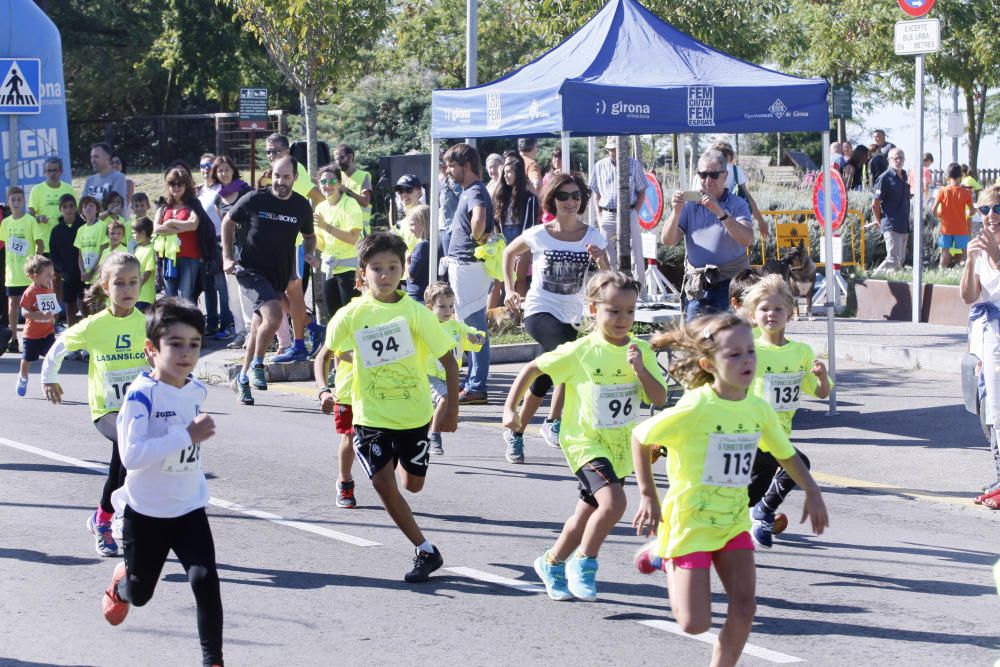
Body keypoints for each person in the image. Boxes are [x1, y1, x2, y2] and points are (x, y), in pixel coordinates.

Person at [631, 312, 828, 667]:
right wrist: (648, 493)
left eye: (750, 351)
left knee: (744, 607)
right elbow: (640, 436)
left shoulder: (758, 409)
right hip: (690, 523)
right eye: (733, 354)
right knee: (695, 624)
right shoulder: (696, 406)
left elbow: (786, 454)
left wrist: (812, 490)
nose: (747, 360)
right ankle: (663, 552)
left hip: (733, 522)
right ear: (709, 363)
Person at [507, 271, 667, 601]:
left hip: (619, 447)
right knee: (614, 503)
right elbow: (532, 369)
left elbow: (658, 398)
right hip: (584, 443)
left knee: (586, 515)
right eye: (614, 311)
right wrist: (512, 410)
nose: (623, 319)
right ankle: (584, 563)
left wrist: (639, 369)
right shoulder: (580, 351)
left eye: (630, 311)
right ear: (593, 310)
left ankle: (551, 562)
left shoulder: (640, 350)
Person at [325, 232, 460, 582]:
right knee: (384, 484)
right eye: (376, 268)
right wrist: (323, 389)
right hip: (371, 416)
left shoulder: (416, 313)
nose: (384, 275)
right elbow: (327, 353)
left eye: (392, 268)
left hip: (414, 414)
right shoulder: (351, 314)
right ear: (362, 273)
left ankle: (403, 468)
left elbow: (449, 363)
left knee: (412, 485)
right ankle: (425, 550)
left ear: (403, 271)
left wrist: (452, 409)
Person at [100, 298, 224, 667]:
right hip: (146, 514)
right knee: (140, 595)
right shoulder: (141, 397)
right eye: (175, 344)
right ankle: (121, 585)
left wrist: (189, 440)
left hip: (188, 507)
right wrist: (187, 435)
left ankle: (212, 660)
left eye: (194, 344)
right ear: (151, 350)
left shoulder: (195, 389)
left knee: (206, 581)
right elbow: (132, 456)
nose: (186, 353)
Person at [41, 253, 149, 557]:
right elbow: (61, 344)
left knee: (127, 461)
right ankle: (109, 522)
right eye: (119, 283)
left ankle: (104, 516)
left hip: (139, 411)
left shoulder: (146, 323)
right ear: (105, 286)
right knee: (126, 448)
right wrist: (49, 377)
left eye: (133, 282)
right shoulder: (94, 325)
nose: (127, 289)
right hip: (107, 411)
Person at [501, 173, 610, 462]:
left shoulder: (593, 236)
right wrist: (510, 288)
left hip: (573, 315)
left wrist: (601, 261)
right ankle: (553, 422)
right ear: (553, 200)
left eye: (576, 196)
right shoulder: (539, 233)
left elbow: (607, 277)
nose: (570, 201)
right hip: (539, 309)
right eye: (563, 196)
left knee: (553, 371)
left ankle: (518, 431)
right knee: (566, 356)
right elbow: (509, 252)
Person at [744, 275, 831, 548]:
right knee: (798, 463)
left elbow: (821, 393)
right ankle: (762, 513)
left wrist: (821, 377)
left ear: (790, 312)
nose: (771, 314)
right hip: (749, 433)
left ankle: (756, 518)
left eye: (778, 309)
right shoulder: (748, 350)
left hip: (779, 432)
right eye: (764, 309)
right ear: (752, 314)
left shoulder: (801, 352)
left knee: (748, 496)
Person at [223, 155, 316, 406]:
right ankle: (257, 364)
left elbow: (309, 236)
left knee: (258, 328)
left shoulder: (300, 206)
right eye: (276, 175)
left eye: (286, 177)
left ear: (295, 178)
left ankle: (242, 379)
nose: (280, 181)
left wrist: (309, 252)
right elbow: (227, 222)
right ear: (270, 174)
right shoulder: (255, 199)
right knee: (274, 315)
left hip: (278, 273)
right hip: (250, 270)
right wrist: (227, 257)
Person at [661, 150, 754, 319]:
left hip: (730, 284)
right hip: (698, 286)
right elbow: (668, 240)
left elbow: (747, 239)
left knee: (730, 341)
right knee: (696, 341)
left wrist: (719, 211)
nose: (707, 181)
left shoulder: (737, 204)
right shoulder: (689, 205)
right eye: (703, 175)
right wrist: (676, 211)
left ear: (725, 176)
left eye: (713, 175)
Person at [265, 133, 323, 362]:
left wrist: (307, 221)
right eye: (269, 151)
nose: (272, 155)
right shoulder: (275, 173)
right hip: (275, 244)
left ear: (287, 151)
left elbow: (318, 197)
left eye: (276, 151)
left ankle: (300, 343)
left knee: (292, 293)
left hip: (295, 243)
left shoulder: (295, 172)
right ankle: (309, 328)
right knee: (276, 292)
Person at [444, 143, 494, 405]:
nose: (449, 170)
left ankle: (477, 385)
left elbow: (479, 217)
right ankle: (474, 381)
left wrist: (477, 236)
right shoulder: (469, 190)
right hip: (464, 265)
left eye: (452, 165)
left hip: (469, 266)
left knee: (474, 325)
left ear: (467, 166)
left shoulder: (475, 190)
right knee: (470, 325)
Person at [961, 185, 1000, 505]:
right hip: (985, 335)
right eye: (985, 210)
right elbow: (969, 297)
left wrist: (995, 256)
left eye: (998, 209)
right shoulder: (979, 245)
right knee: (987, 407)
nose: (991, 216)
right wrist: (971, 261)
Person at [424, 281, 484, 455]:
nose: (448, 311)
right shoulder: (426, 325)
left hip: (448, 376)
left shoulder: (456, 326)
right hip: (428, 374)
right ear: (430, 307)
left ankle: (422, 438)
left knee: (429, 413)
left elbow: (472, 333)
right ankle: (435, 436)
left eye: (451, 306)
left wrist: (477, 338)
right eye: (442, 307)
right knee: (445, 399)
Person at [314, 323, 361, 509]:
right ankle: (345, 482)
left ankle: (388, 488)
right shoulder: (349, 317)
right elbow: (337, 353)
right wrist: (325, 391)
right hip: (349, 392)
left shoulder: (391, 315)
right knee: (349, 437)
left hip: (379, 393)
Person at [210, 155, 253, 350]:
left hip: (246, 249)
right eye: (220, 170)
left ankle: (253, 331)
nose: (224, 173)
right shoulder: (218, 198)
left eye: (227, 169)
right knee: (233, 295)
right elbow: (224, 225)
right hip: (228, 251)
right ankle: (239, 332)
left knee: (246, 293)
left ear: (233, 170)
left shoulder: (245, 190)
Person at [589, 137, 647, 276]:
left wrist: (635, 213)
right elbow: (595, 193)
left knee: (637, 251)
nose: (613, 152)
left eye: (616, 149)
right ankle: (613, 284)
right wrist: (599, 216)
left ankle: (640, 288)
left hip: (629, 211)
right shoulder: (600, 166)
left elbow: (642, 191)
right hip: (607, 213)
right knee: (606, 250)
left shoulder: (634, 164)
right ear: (607, 150)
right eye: (611, 150)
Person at [314, 163, 363, 319]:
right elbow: (321, 244)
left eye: (332, 181)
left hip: (349, 269)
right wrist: (302, 234)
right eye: (323, 182)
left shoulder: (350, 204)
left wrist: (326, 226)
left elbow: (352, 238)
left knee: (351, 317)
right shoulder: (320, 208)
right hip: (328, 268)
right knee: (334, 318)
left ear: (340, 183)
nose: (327, 185)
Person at [196, 153, 234, 340]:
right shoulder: (198, 191)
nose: (205, 168)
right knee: (208, 286)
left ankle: (226, 323)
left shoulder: (222, 190)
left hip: (220, 242)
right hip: (204, 244)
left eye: (209, 165)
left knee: (222, 286)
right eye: (202, 165)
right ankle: (211, 324)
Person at [1, 186, 42, 352]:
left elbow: (40, 243)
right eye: (13, 200)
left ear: (23, 201)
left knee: (30, 307)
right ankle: (13, 339)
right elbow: (4, 245)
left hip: (28, 274)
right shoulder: (6, 222)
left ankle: (30, 337)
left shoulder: (30, 221)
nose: (16, 203)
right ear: (8, 202)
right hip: (12, 273)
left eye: (19, 199)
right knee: (12, 305)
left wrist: (35, 264)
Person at [153, 168, 202, 302]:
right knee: (170, 295)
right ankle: (173, 323)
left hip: (189, 256)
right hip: (169, 258)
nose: (176, 187)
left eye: (180, 184)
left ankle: (189, 322)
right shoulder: (164, 206)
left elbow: (193, 225)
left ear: (186, 185)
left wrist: (170, 223)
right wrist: (181, 226)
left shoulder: (193, 204)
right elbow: (156, 228)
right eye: (172, 184)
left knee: (185, 295)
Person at [16, 255, 59, 396]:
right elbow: (24, 312)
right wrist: (39, 315)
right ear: (35, 276)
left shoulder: (50, 287)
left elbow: (51, 305)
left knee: (51, 357)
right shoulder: (30, 292)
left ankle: (48, 380)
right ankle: (23, 378)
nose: (51, 278)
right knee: (27, 360)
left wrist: (52, 316)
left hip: (47, 331)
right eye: (47, 275)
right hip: (32, 334)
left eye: (52, 274)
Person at [713, 141, 768, 239]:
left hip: (712, 216)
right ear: (730, 155)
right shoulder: (735, 170)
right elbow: (747, 196)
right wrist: (760, 221)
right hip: (732, 217)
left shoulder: (707, 169)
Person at [872, 148, 911, 273]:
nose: (898, 161)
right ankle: (872, 280)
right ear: (889, 160)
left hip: (903, 225)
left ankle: (890, 287)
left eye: (901, 158)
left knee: (899, 262)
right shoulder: (885, 178)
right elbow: (875, 203)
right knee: (893, 259)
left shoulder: (904, 175)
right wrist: (879, 221)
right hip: (891, 224)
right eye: (895, 158)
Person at [28, 156, 75, 257]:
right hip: (44, 244)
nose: (52, 174)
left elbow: (77, 213)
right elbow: (29, 218)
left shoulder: (69, 189)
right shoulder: (37, 190)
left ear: (61, 171)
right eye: (49, 170)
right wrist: (39, 218)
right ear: (45, 172)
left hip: (65, 241)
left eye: (55, 170)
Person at [49, 194, 84, 327]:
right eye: (65, 207)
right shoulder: (56, 231)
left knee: (84, 305)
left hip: (83, 274)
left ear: (76, 208)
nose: (68, 209)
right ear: (60, 209)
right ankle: (71, 337)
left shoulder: (83, 226)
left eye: (71, 206)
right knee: (70, 307)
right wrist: (62, 270)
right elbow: (54, 253)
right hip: (67, 275)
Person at [934, 163, 975, 268]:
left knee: (945, 252)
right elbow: (972, 211)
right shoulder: (966, 193)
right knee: (964, 253)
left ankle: (941, 271)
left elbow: (934, 209)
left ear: (947, 177)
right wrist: (969, 213)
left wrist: (938, 215)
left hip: (945, 228)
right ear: (961, 177)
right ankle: (964, 272)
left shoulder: (942, 191)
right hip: (961, 228)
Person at [74, 195, 109, 302]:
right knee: (88, 303)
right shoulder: (80, 230)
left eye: (91, 205)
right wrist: (83, 272)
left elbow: (103, 250)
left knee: (100, 303)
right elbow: (80, 253)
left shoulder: (102, 226)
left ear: (97, 209)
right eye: (84, 206)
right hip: (86, 276)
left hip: (98, 274)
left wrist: (92, 272)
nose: (88, 208)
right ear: (81, 211)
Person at [333, 143, 373, 235]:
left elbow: (365, 202)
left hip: (360, 230)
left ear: (350, 157)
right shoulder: (337, 177)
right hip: (342, 228)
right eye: (336, 160)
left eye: (341, 158)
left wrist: (347, 191)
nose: (338, 162)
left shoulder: (363, 176)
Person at [405, 205, 441, 303]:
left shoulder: (422, 246)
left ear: (423, 222)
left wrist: (407, 261)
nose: (410, 229)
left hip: (418, 297)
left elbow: (411, 275)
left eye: (412, 224)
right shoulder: (436, 243)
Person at [132, 217, 156, 312]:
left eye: (134, 233)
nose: (133, 235)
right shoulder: (138, 248)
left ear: (143, 233)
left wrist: (136, 286)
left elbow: (147, 272)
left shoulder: (151, 249)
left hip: (145, 297)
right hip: (137, 296)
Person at [110, 153, 136, 218]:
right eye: (112, 163)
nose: (115, 165)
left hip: (122, 217)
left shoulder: (128, 182)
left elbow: (125, 205)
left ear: (122, 165)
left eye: (117, 162)